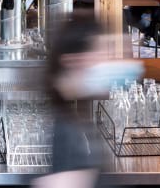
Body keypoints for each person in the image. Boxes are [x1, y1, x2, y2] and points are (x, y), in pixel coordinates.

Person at [37, 12, 111, 188]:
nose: (106, 60)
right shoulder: (67, 127)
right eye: (98, 52)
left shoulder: (75, 111)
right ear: (73, 60)